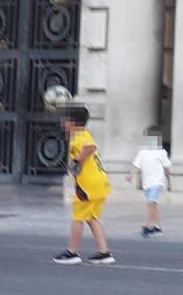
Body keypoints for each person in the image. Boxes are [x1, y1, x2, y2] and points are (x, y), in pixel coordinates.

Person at [54, 106, 115, 265]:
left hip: (88, 185)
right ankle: (104, 252)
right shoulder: (84, 133)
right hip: (99, 182)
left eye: (65, 120)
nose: (63, 123)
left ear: (73, 123)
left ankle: (72, 252)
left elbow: (90, 147)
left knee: (78, 218)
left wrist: (77, 160)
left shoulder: (79, 136)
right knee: (92, 218)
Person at [130, 125, 172, 238]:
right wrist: (131, 175)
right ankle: (157, 227)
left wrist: (168, 182)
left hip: (157, 182)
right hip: (147, 183)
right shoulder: (142, 152)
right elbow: (136, 165)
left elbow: (167, 168)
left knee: (151, 204)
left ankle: (147, 226)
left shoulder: (161, 152)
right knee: (154, 204)